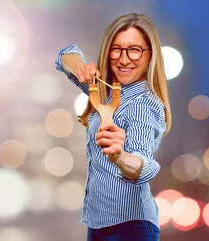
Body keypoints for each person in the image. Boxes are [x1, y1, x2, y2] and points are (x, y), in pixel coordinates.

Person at [54, 13, 171, 241]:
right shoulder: (105, 92)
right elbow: (64, 55)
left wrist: (120, 157)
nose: (124, 59)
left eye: (135, 50)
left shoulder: (143, 105)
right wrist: (82, 69)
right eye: (116, 49)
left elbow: (143, 164)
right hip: (99, 224)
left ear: (150, 56)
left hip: (130, 228)